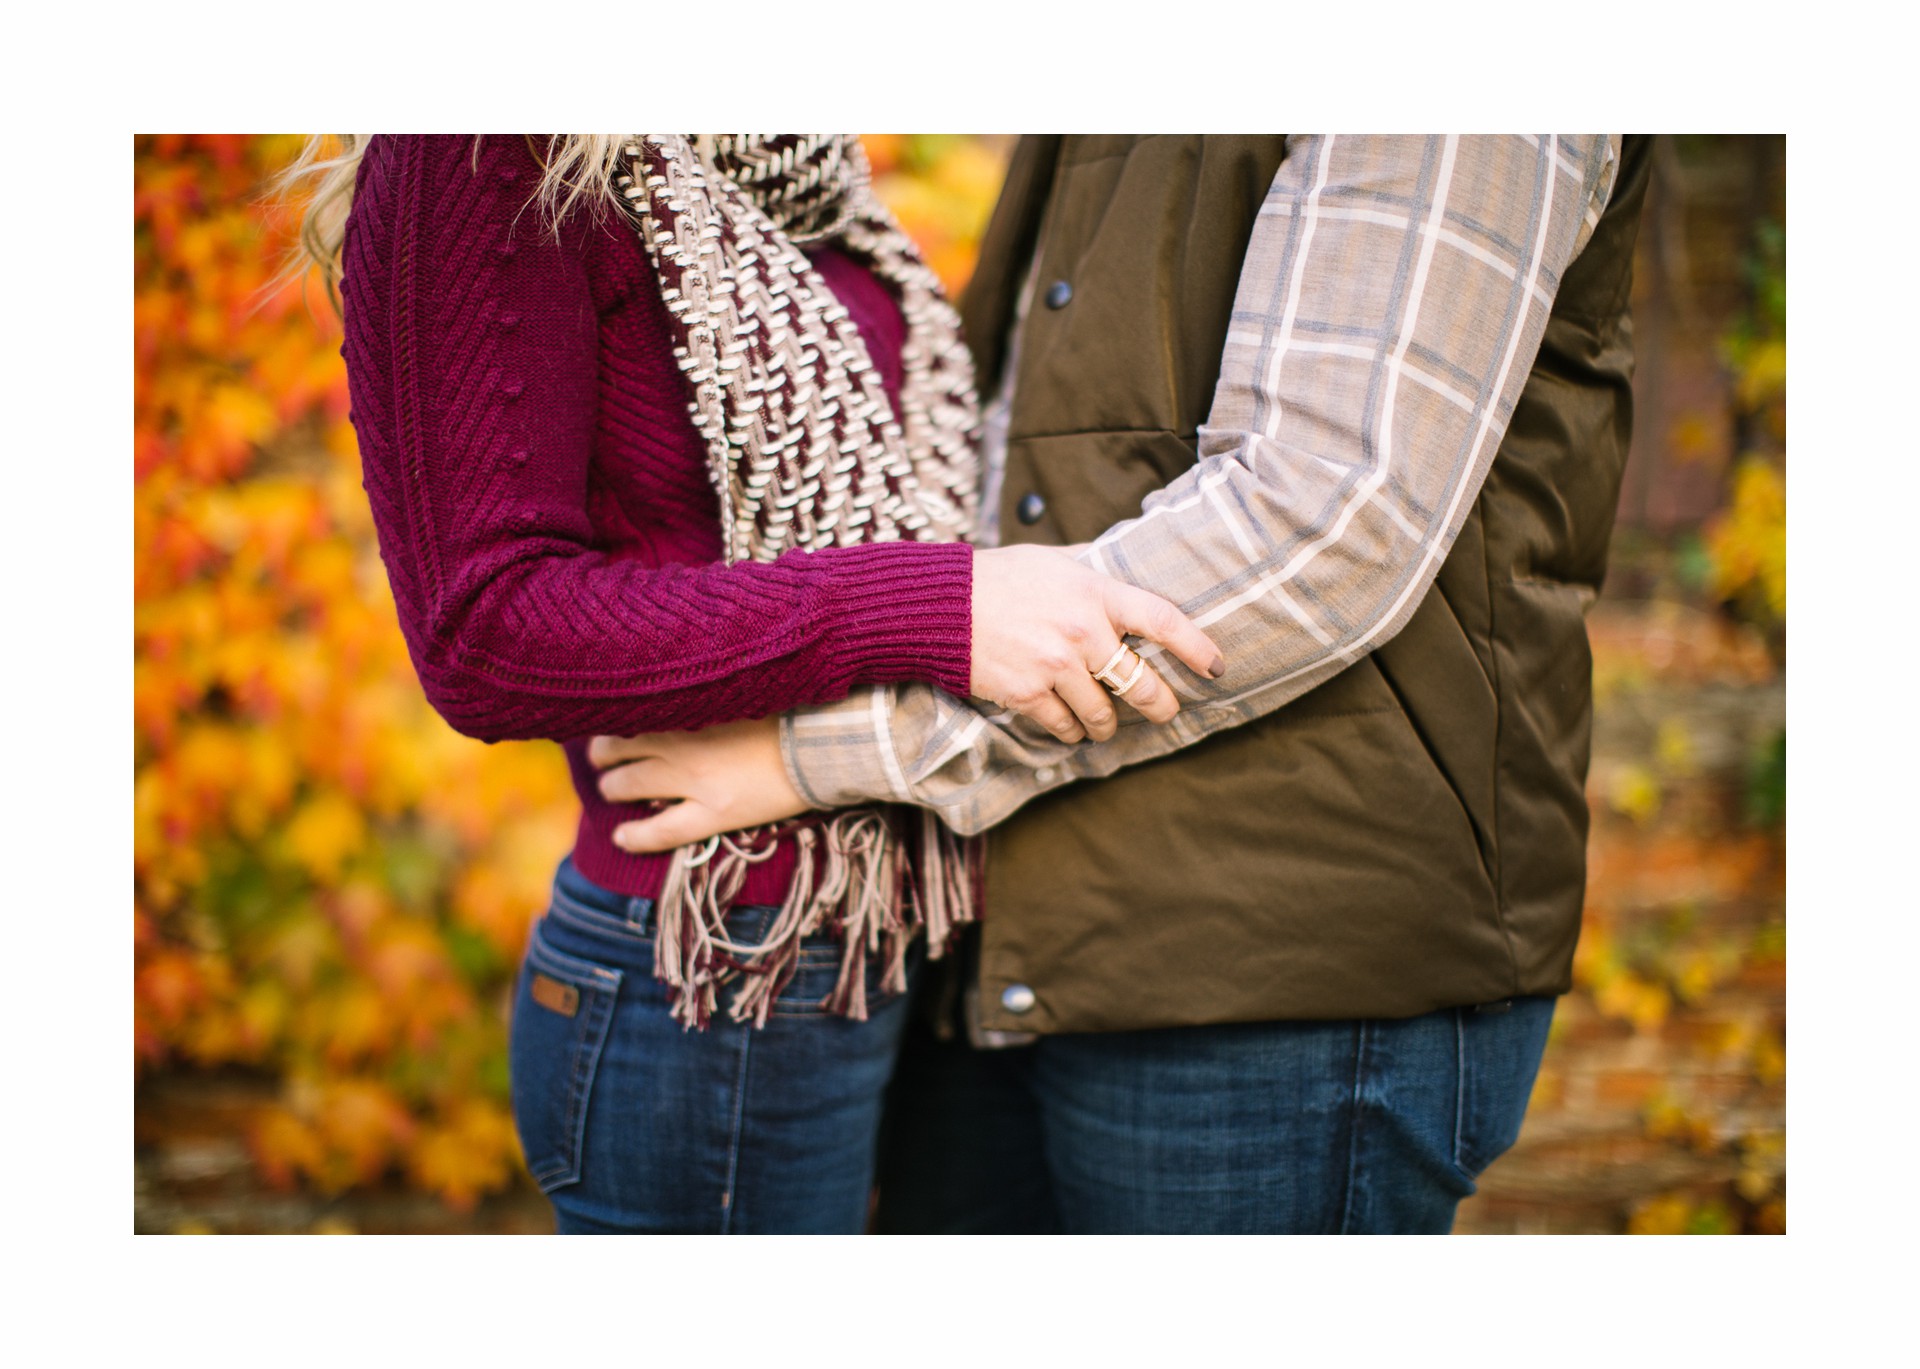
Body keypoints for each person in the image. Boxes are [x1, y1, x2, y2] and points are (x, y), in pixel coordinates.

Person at [588, 134, 1654, 1233]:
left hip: (1280, 964)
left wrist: (829, 752)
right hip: (1016, 923)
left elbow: (1321, 522)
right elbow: (1005, 464)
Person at [295, 133, 1221, 1234]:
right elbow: (484, 630)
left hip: (883, 937)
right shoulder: (490, 144)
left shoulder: (794, 168)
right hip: (709, 967)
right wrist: (938, 606)